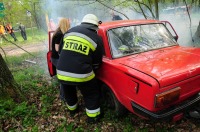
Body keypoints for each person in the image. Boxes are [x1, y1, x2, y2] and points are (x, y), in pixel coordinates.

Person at [56, 14, 104, 123]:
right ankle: (93, 117)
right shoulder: (96, 38)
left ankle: (73, 111)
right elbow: (97, 62)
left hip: (61, 72)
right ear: (95, 27)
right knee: (91, 93)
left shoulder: (69, 32)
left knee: (69, 91)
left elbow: (60, 52)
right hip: (82, 74)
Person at [51, 18, 70, 102]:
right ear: (65, 24)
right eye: (68, 23)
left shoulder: (59, 31)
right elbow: (57, 49)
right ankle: (63, 97)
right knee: (63, 77)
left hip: (56, 58)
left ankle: (64, 95)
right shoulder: (59, 34)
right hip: (57, 58)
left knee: (64, 76)